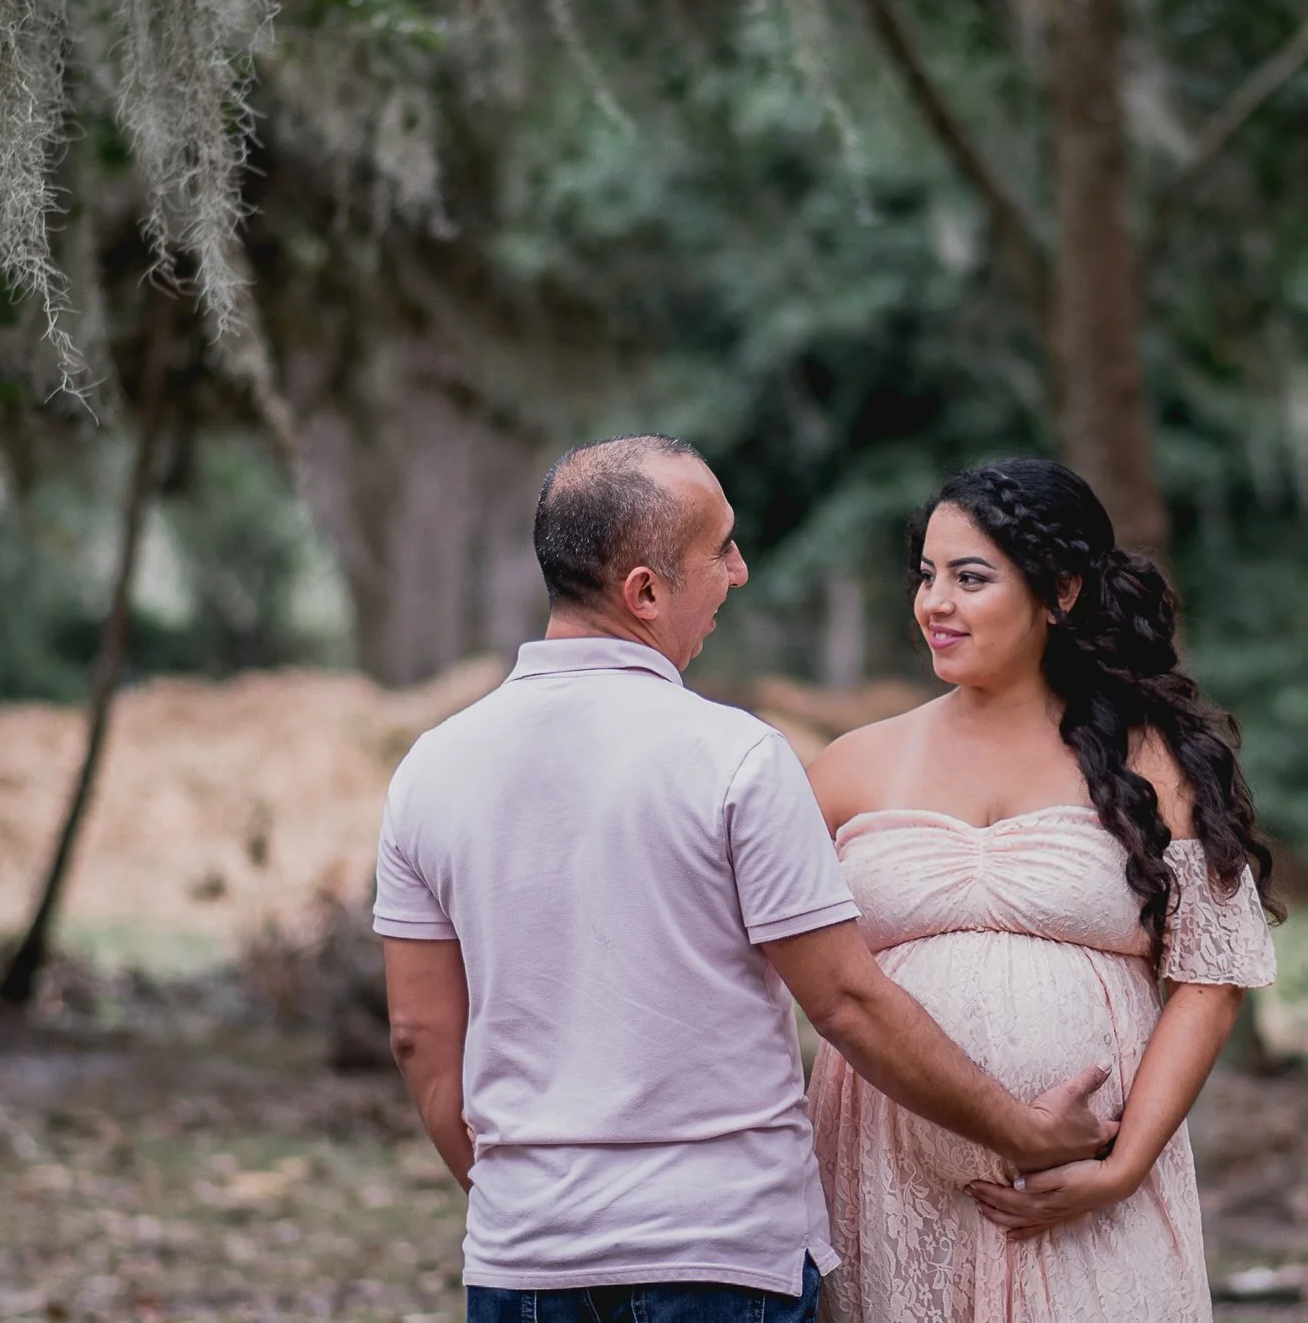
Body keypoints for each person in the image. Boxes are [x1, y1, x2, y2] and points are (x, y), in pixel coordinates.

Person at [375, 435, 1116, 1323]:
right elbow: (844, 1001)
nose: (742, 570)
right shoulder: (736, 757)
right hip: (718, 1253)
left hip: (523, 1255)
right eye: (719, 550)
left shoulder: (431, 767)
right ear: (645, 593)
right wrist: (1020, 1130)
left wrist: (526, 1208)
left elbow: (420, 1033)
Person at [806, 457, 1285, 1322]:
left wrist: (1122, 1166)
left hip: (1095, 1203)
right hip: (883, 1178)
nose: (933, 604)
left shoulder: (1154, 763)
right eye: (926, 576)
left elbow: (1212, 982)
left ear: (1060, 592)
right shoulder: (848, 766)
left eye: (970, 577)